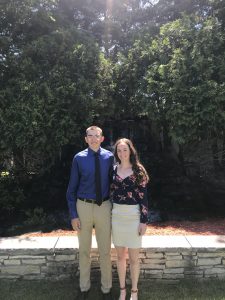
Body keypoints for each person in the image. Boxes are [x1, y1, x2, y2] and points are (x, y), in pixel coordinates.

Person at [66, 126, 114, 300]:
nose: (94, 138)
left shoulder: (110, 157)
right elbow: (71, 189)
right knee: (84, 250)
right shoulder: (78, 158)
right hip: (83, 207)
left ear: (102, 138)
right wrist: (73, 214)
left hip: (104, 206)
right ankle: (84, 288)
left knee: (105, 251)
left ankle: (106, 289)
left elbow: (114, 183)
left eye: (97, 136)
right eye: (90, 136)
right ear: (85, 139)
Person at [110, 138, 149, 300]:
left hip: (133, 216)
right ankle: (122, 290)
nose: (122, 153)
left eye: (125, 149)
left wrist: (143, 221)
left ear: (130, 150)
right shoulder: (112, 170)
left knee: (133, 259)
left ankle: (134, 291)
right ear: (116, 153)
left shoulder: (139, 170)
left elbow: (144, 198)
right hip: (117, 216)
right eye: (119, 150)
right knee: (120, 257)